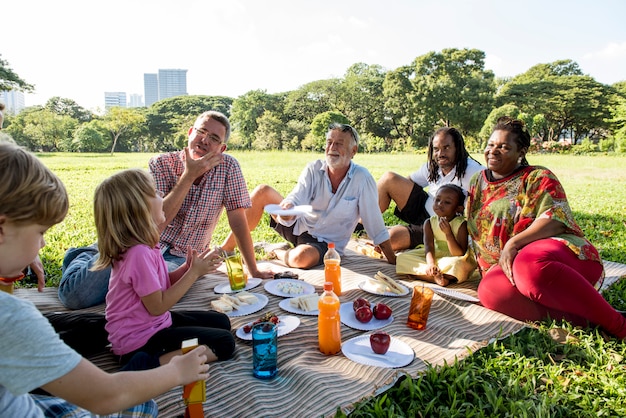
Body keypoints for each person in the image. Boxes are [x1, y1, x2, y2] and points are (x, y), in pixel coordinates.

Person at [0, 141, 211, 417]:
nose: (41, 246)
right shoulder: (12, 318)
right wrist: (174, 373)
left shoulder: (149, 248)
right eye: (40, 232)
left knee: (93, 329)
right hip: (116, 370)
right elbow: (107, 396)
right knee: (144, 406)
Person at [58, 110, 274, 309]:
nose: (205, 140)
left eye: (215, 139)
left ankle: (98, 258)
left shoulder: (229, 167)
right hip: (139, 244)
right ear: (190, 133)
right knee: (75, 297)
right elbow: (156, 224)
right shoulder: (161, 164)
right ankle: (85, 255)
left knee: (148, 295)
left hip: (179, 258)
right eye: (201, 132)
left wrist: (253, 270)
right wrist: (188, 176)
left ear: (222, 148)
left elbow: (238, 220)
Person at [466, 116, 626, 339]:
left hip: (559, 258)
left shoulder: (538, 177)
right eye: (491, 144)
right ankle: (592, 320)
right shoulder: (477, 182)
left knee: (528, 265)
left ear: (521, 152)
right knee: (490, 292)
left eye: (504, 146)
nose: (494, 151)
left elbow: (554, 219)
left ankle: (619, 326)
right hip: (509, 265)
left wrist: (514, 243)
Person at [92, 168, 235, 371]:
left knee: (221, 321)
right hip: (138, 341)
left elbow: (160, 286)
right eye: (155, 193)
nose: (161, 195)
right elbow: (158, 305)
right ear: (139, 210)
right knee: (224, 342)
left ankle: (163, 354)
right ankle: (147, 365)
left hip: (154, 324)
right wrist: (194, 273)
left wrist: (187, 268)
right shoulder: (137, 254)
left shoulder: (147, 245)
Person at [222, 123, 396, 268]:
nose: (332, 148)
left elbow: (374, 222)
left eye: (339, 144)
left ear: (353, 151)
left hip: (324, 243)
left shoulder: (362, 178)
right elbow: (298, 195)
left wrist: (392, 260)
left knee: (300, 259)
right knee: (262, 191)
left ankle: (275, 250)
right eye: (329, 142)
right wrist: (289, 207)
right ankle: (226, 249)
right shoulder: (314, 168)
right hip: (298, 223)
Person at [376, 127, 483, 252]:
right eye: (436, 149)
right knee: (389, 178)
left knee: (385, 243)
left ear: (457, 148)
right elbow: (408, 181)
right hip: (424, 210)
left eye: (446, 147)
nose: (440, 153)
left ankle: (405, 232)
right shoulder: (432, 167)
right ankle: (360, 224)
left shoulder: (473, 171)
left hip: (443, 226)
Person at [395, 184, 477, 287]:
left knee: (456, 265)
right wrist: (431, 264)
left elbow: (459, 253)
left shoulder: (461, 224)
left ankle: (422, 275)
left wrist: (448, 234)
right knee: (403, 257)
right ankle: (437, 277)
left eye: (447, 202)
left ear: (458, 208)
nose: (440, 204)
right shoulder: (429, 222)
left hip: (453, 258)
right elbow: (429, 246)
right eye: (437, 199)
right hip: (435, 254)